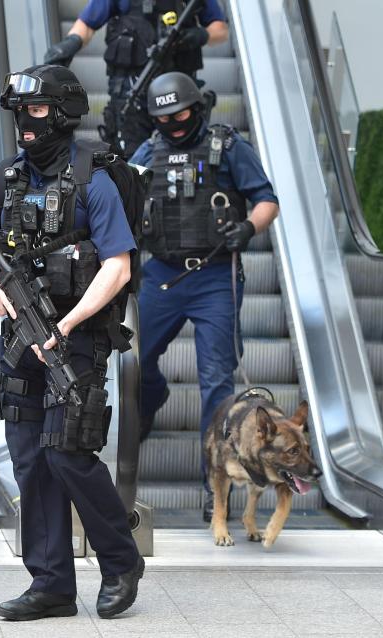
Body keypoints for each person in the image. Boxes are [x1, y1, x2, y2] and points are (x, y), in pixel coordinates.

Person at [0, 64, 144, 621]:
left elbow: (117, 266)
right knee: (29, 461)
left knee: (67, 452)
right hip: (20, 336)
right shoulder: (7, 178)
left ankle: (119, 562)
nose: (25, 122)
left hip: (79, 337)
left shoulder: (95, 179)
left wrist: (66, 326)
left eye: (36, 111)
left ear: (63, 113)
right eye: (19, 113)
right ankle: (51, 584)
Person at [128, 72, 278, 522]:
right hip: (162, 275)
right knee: (136, 360)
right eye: (162, 118)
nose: (173, 124)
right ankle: (152, 400)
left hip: (215, 275)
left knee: (217, 381)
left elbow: (266, 198)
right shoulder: (147, 150)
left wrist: (249, 227)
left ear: (198, 107)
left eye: (180, 115)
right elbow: (119, 197)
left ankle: (214, 482)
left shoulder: (226, 146)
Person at [45, 0, 229, 158]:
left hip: (178, 94)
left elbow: (220, 30)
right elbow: (86, 24)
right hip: (129, 94)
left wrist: (202, 35)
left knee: (182, 157)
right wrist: (71, 44)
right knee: (132, 163)